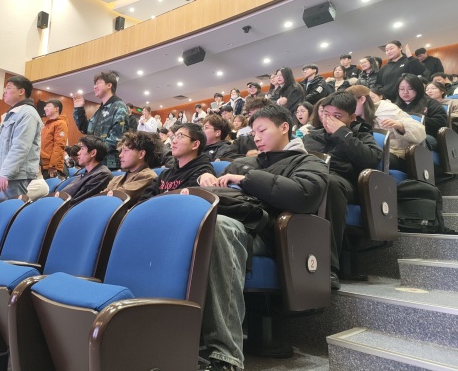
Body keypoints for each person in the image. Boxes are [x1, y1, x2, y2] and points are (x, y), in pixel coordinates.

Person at [196, 104, 329, 371]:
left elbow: (305, 195)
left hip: (267, 234)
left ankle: (226, 356)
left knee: (219, 227)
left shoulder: (307, 161)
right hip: (229, 221)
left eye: (262, 130)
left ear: (284, 127)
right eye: (253, 132)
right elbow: (220, 191)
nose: (256, 138)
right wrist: (207, 178)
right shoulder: (243, 161)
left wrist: (247, 179)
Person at [302, 92, 382, 289]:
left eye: (337, 116)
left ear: (351, 117)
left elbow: (371, 159)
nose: (329, 120)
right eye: (326, 114)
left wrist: (341, 133)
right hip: (312, 178)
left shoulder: (361, 134)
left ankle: (328, 267)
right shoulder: (312, 136)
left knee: (329, 183)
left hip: (344, 183)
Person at [0, 75, 42, 200]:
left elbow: (21, 147)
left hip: (13, 176)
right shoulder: (10, 114)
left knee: (9, 211)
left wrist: (6, 173)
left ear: (21, 91)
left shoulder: (28, 113)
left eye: (8, 88)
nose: (4, 92)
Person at [347, 85, 425, 172]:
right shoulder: (353, 118)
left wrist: (401, 126)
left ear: (362, 100)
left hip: (397, 154)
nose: (348, 108)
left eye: (351, 104)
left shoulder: (387, 110)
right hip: (375, 152)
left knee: (367, 160)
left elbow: (420, 131)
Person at [140, 123, 215, 201]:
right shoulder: (165, 174)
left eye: (180, 136)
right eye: (174, 137)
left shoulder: (202, 174)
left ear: (195, 144)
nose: (173, 141)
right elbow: (143, 201)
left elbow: (187, 203)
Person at [73, 70, 129, 170]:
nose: (95, 87)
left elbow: (117, 137)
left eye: (98, 83)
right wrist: (79, 109)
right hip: (95, 162)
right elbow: (84, 129)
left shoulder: (119, 106)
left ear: (109, 85)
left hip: (109, 165)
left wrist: (93, 152)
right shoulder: (100, 110)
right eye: (94, 84)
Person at [104, 131, 160, 206]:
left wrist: (109, 193)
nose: (120, 155)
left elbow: (117, 198)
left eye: (126, 151)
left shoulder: (148, 177)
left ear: (141, 154)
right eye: (121, 151)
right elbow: (99, 198)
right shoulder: (116, 179)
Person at [395, 74, 447, 150]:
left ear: (418, 88)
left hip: (427, 136)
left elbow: (441, 122)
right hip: (401, 136)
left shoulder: (431, 103)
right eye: (402, 89)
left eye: (410, 89)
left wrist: (415, 121)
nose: (405, 92)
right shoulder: (395, 106)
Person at [61, 136, 113, 205]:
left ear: (93, 153)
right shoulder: (85, 173)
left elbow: (76, 202)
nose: (78, 153)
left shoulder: (102, 174)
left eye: (82, 149)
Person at [41, 99, 68, 178]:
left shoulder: (61, 123)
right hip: (43, 163)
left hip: (50, 166)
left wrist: (53, 165)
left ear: (56, 109)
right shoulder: (47, 124)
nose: (45, 108)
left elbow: (59, 145)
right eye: (45, 107)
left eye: (48, 106)